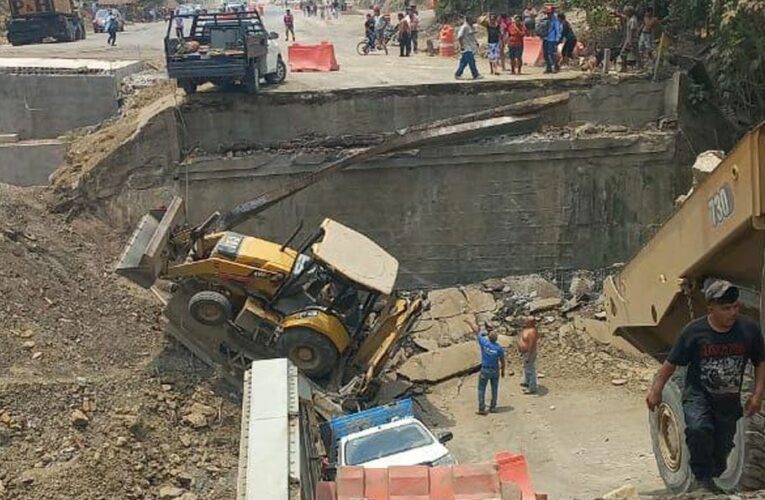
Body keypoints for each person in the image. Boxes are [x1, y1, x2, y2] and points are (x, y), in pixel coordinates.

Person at [646, 279, 765, 492]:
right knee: (699, 429)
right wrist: (656, 390)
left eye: (734, 307)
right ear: (711, 308)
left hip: (728, 400)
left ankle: (712, 476)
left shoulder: (749, 330)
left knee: (723, 448)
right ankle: (702, 482)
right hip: (698, 395)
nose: (732, 313)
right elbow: (670, 364)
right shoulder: (694, 332)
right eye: (725, 308)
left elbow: (760, 362)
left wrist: (757, 395)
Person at [468, 319, 506, 415]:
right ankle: (493, 407)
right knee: (494, 388)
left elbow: (477, 332)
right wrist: (503, 371)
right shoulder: (499, 348)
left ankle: (482, 408)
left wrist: (469, 322)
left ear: (489, 337)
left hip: (485, 369)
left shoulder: (484, 343)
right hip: (495, 370)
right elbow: (502, 361)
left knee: (481, 389)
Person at [614, 5, 640, 71]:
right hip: (631, 39)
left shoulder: (632, 20)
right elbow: (624, 17)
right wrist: (618, 15)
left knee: (624, 53)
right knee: (636, 54)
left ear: (629, 12)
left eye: (626, 12)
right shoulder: (631, 18)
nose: (625, 13)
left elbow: (632, 31)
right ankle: (637, 66)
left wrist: (630, 42)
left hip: (631, 40)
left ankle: (626, 67)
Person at [537, 5, 561, 73]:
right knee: (545, 54)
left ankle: (554, 67)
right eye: (547, 13)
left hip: (552, 39)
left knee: (552, 53)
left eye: (549, 13)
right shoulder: (545, 18)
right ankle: (548, 67)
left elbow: (557, 29)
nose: (548, 14)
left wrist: (557, 39)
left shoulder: (555, 20)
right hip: (545, 38)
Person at [518, 316, 539, 394]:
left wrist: (529, 355)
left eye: (527, 320)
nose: (525, 321)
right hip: (524, 352)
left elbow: (531, 344)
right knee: (526, 367)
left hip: (529, 353)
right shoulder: (526, 329)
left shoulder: (532, 331)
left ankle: (532, 387)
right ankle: (527, 381)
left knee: (530, 369)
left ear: (531, 322)